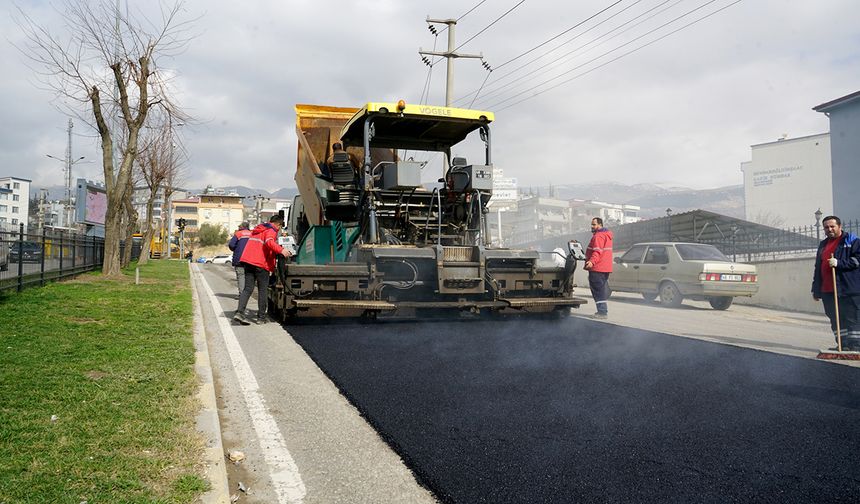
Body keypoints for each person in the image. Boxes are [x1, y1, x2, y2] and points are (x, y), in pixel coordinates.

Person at [811, 215, 860, 350]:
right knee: (835, 318)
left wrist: (840, 263)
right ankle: (842, 345)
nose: (829, 229)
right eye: (826, 227)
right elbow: (818, 268)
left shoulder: (852, 241)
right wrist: (816, 289)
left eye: (832, 226)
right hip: (828, 290)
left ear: (839, 226)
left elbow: (858, 260)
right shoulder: (823, 245)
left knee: (852, 317)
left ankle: (856, 346)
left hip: (847, 289)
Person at [234, 215, 292, 325]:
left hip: (248, 261)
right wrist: (282, 250)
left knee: (247, 289)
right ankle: (261, 317)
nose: (279, 230)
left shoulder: (259, 229)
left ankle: (240, 313)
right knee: (262, 290)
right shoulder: (271, 230)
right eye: (280, 227)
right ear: (278, 225)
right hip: (260, 263)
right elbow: (269, 242)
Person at [584, 217, 613, 319]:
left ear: (600, 225)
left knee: (597, 291)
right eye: (591, 224)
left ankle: (602, 312)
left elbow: (597, 251)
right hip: (605, 268)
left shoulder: (598, 236)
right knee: (601, 290)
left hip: (597, 268)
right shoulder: (607, 235)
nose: (592, 226)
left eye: (594, 224)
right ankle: (602, 311)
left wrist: (591, 262)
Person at [228, 221, 252, 297]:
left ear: (242, 227)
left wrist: (236, 249)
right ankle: (247, 294)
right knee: (249, 277)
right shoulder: (252, 234)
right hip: (251, 259)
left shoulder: (238, 234)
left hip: (240, 259)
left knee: (241, 276)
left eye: (239, 226)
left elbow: (231, 245)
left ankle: (242, 295)